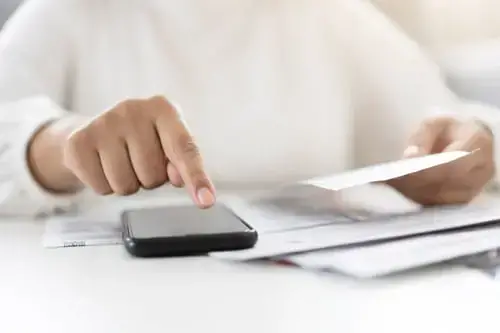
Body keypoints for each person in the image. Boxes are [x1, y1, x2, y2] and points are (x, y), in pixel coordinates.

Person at [0, 0, 497, 217]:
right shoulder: (69, 12)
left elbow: (455, 123)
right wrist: (60, 148)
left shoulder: (329, 16)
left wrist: (476, 142)